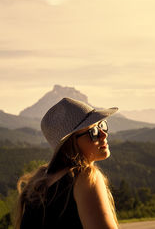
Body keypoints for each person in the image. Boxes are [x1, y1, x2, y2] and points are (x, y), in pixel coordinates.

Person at [15, 97, 119, 229]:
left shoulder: (38, 184)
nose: (103, 134)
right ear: (71, 142)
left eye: (101, 125)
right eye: (93, 131)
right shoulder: (85, 177)